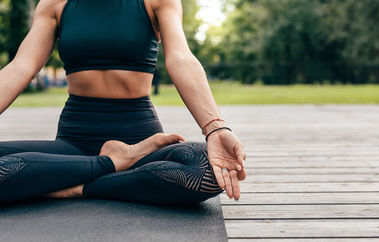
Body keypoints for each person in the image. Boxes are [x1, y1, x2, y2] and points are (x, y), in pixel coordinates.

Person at [0, 0, 246, 205]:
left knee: (208, 168)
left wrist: (215, 127)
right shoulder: (54, 3)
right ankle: (112, 164)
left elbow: (181, 58)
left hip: (141, 143)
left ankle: (77, 184)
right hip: (75, 141)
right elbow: (21, 67)